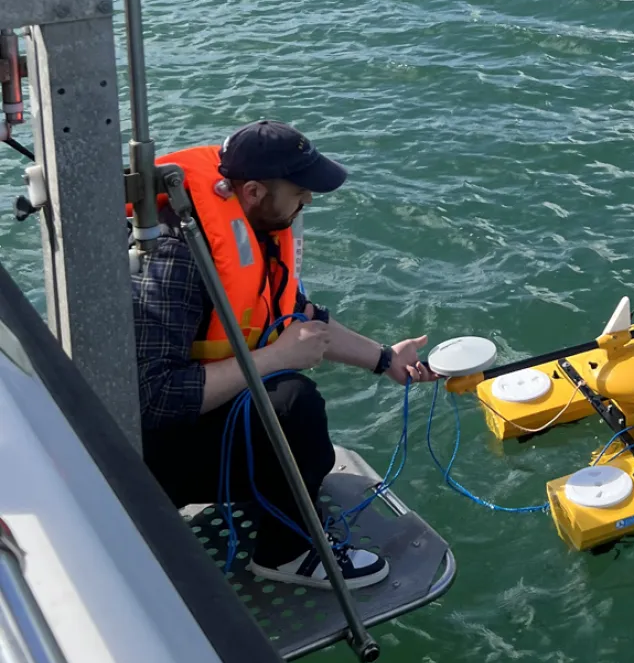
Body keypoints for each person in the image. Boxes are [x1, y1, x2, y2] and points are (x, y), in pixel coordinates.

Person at [129, 119, 439, 590]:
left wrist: (384, 358)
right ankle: (286, 554)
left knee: (292, 413)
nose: (308, 201)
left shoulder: (257, 228)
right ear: (252, 191)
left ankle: (265, 490)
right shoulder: (176, 253)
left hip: (194, 420)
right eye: (299, 190)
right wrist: (275, 358)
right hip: (148, 457)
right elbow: (151, 397)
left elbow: (296, 315)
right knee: (295, 407)